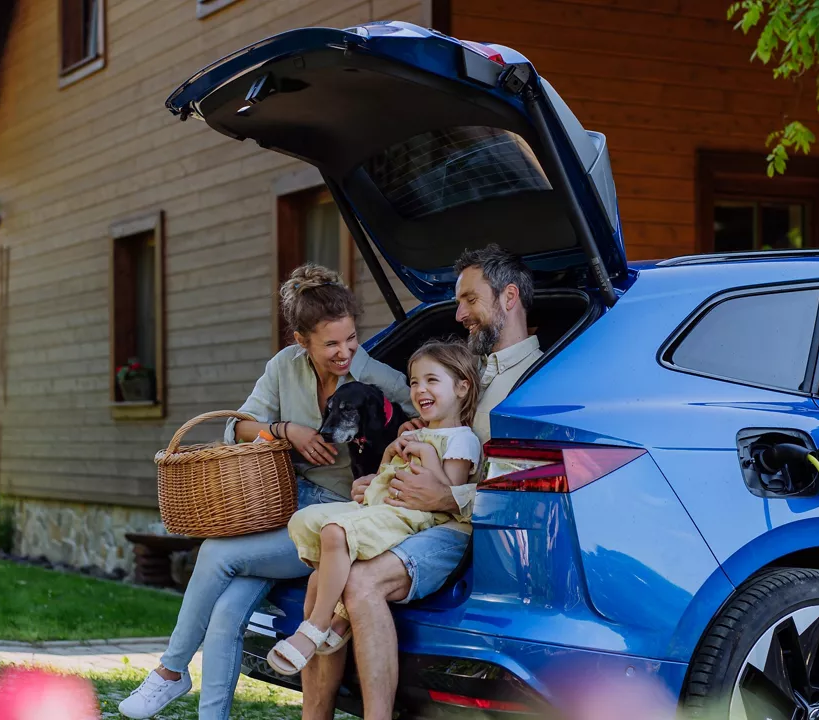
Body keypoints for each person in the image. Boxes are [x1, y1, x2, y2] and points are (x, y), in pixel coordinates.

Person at [118, 264, 413, 720]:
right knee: (226, 613)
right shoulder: (284, 366)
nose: (345, 352)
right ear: (302, 341)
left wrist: (395, 458)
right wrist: (286, 429)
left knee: (217, 554)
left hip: (332, 520)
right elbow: (238, 429)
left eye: (351, 338)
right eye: (331, 344)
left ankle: (170, 670)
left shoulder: (377, 378)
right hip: (279, 506)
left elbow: (430, 418)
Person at [301, 244, 544, 720]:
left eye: (470, 300)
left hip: (475, 533)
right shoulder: (466, 370)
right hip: (412, 518)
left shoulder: (538, 379)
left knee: (361, 582)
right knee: (321, 577)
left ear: (509, 297)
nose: (459, 314)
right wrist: (380, 483)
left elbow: (521, 479)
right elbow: (434, 441)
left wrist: (450, 496)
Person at [266, 340, 483, 675]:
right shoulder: (414, 432)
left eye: (431, 380)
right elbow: (384, 475)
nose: (419, 389)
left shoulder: (462, 440)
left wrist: (425, 453)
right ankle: (339, 615)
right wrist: (390, 453)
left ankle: (315, 627)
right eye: (414, 382)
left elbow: (445, 496)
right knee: (305, 520)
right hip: (382, 505)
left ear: (462, 388)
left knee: (336, 531)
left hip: (414, 516)